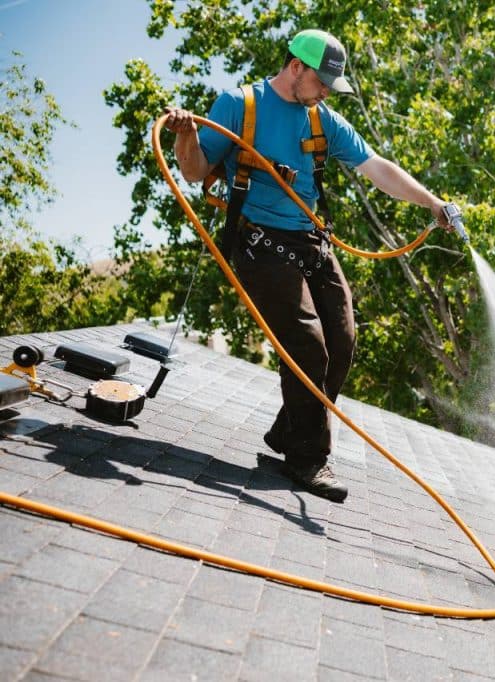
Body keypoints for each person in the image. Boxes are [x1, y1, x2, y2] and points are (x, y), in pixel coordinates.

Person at [165, 28, 454, 503]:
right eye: (321, 82)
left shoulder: (323, 120)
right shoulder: (239, 105)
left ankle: (289, 435)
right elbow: (195, 171)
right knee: (307, 344)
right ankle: (308, 459)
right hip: (259, 242)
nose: (324, 93)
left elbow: (376, 167)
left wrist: (432, 203)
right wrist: (187, 135)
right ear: (295, 67)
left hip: (310, 240)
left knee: (342, 341)